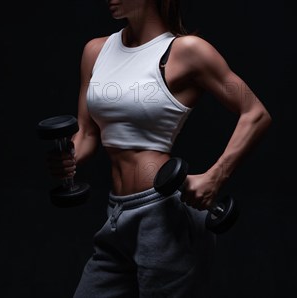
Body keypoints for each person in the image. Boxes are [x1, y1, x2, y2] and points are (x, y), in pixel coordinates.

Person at [46, 0, 272, 297]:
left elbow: (255, 113)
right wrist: (69, 157)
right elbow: (87, 134)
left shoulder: (189, 51)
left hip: (164, 215)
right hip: (116, 215)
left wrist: (215, 177)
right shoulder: (95, 51)